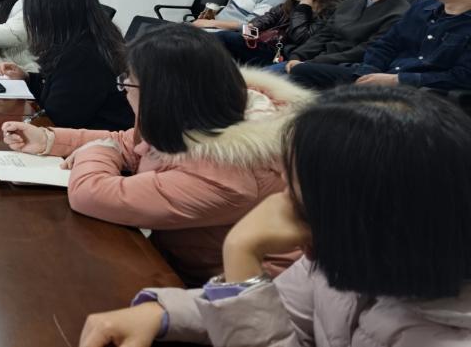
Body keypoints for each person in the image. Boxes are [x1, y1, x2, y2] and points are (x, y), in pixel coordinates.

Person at [78, 86, 471, 347]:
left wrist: (241, 250)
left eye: (296, 192)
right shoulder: (343, 257)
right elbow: (278, 313)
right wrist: (163, 313)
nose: (280, 200)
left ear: (364, 214)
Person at [1, 25, 311, 285]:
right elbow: (129, 143)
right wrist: (49, 139)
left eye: (128, 83)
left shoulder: (226, 170)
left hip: (231, 295)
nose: (124, 90)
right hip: (177, 264)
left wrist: (95, 152)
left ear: (162, 94)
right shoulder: (202, 113)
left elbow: (90, 194)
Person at [290, 0, 471, 91]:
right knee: (302, 72)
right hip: (382, 73)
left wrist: (398, 80)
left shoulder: (401, 8)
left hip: (422, 88)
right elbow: (385, 44)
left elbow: (462, 76)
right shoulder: (421, 9)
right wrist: (369, 71)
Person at [0, 0, 133, 130]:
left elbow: (57, 121)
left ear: (52, 12)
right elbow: (62, 88)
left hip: (92, 140)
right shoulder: (91, 37)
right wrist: (28, 78)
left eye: (32, 8)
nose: (29, 15)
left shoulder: (82, 56)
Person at [279, 0, 409, 76]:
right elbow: (323, 35)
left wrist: (311, 63)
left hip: (346, 68)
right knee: (270, 75)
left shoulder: (399, 12)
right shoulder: (351, 2)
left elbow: (365, 50)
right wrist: (298, 55)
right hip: (314, 61)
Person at [217, 0, 347, 66]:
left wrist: (303, 8)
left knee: (226, 37)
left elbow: (300, 38)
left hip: (289, 55)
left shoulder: (334, 10)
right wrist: (252, 27)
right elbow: (271, 16)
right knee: (223, 37)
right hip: (272, 45)